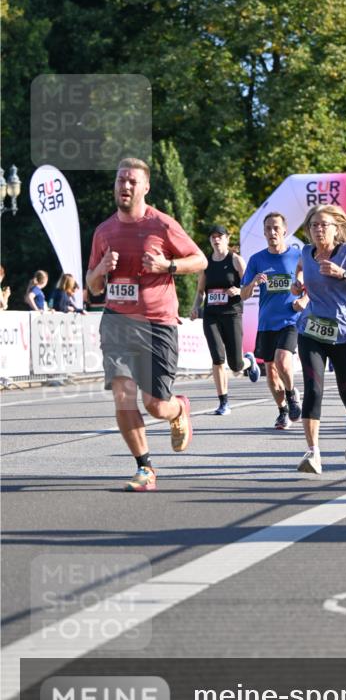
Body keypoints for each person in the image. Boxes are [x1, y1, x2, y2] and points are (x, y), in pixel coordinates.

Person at [86, 158, 207, 491]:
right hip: (117, 322)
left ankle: (178, 408)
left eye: (131, 181)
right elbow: (92, 286)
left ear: (145, 187)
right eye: (120, 180)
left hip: (157, 324)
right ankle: (145, 468)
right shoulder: (104, 231)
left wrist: (167, 265)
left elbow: (200, 260)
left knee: (155, 405)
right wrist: (99, 271)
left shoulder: (162, 225)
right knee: (123, 396)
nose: (124, 186)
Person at [291, 205, 346, 475]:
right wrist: (298, 283)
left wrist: (343, 274)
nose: (318, 229)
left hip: (343, 332)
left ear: (336, 228)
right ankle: (313, 453)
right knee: (313, 391)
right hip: (311, 330)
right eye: (313, 225)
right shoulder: (306, 251)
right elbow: (302, 269)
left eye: (324, 224)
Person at [240, 212, 307, 429]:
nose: (272, 232)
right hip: (266, 322)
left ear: (285, 231)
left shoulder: (298, 256)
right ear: (264, 232)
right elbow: (243, 294)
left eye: (276, 228)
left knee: (282, 360)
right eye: (268, 228)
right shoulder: (257, 260)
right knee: (270, 371)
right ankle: (282, 411)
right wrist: (254, 283)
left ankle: (291, 395)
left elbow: (313, 284)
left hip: (291, 318)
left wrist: (304, 300)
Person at [190, 225, 260, 415]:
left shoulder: (236, 260)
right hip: (211, 315)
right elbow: (200, 292)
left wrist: (237, 290)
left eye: (220, 236)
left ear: (227, 238)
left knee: (236, 365)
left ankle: (249, 361)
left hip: (232, 314)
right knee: (217, 358)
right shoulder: (206, 264)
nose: (216, 239)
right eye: (212, 237)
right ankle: (223, 402)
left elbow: (247, 288)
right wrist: (196, 306)